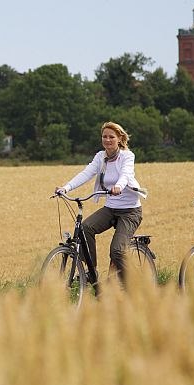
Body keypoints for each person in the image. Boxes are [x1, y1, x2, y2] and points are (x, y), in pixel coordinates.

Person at [55, 122, 146, 285]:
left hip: (130, 211)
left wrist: (119, 186)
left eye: (112, 136)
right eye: (105, 136)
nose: (108, 140)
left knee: (117, 250)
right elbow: (86, 173)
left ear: (119, 138)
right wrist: (66, 188)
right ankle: (91, 272)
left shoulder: (127, 156)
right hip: (111, 208)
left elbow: (126, 174)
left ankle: (134, 286)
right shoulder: (100, 157)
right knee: (85, 228)